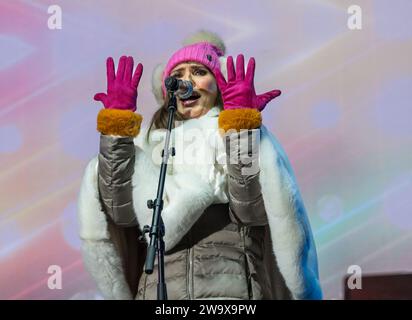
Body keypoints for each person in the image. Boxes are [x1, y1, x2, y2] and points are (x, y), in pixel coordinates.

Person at [77, 31, 322, 300]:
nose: (186, 81)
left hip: (231, 294)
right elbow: (120, 212)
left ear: (219, 84)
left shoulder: (237, 135)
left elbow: (251, 209)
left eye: (198, 71)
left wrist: (240, 127)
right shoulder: (146, 145)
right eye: (178, 74)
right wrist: (118, 129)